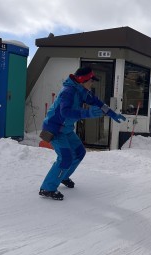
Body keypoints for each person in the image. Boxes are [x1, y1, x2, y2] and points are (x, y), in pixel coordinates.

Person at [38, 66, 126, 200]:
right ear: (82, 80)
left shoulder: (82, 91)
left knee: (79, 152)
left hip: (66, 129)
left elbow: (97, 102)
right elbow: (65, 112)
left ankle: (63, 176)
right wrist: (87, 113)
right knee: (66, 158)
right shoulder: (68, 91)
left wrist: (112, 114)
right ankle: (47, 188)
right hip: (54, 129)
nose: (92, 83)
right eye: (91, 80)